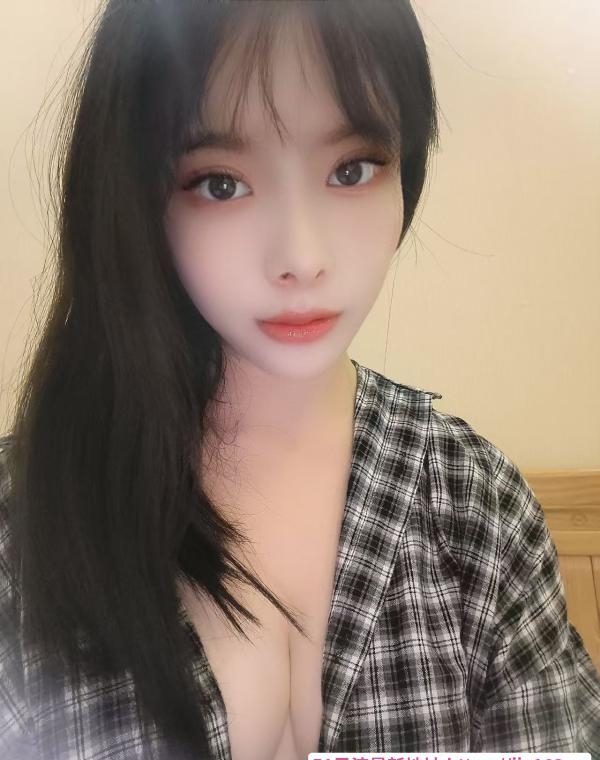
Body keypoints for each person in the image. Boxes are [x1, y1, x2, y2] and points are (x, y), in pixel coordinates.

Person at [0, 1, 599, 759]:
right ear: (134, 196)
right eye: (220, 183)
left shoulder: (472, 503)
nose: (302, 258)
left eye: (352, 169)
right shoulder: (22, 530)